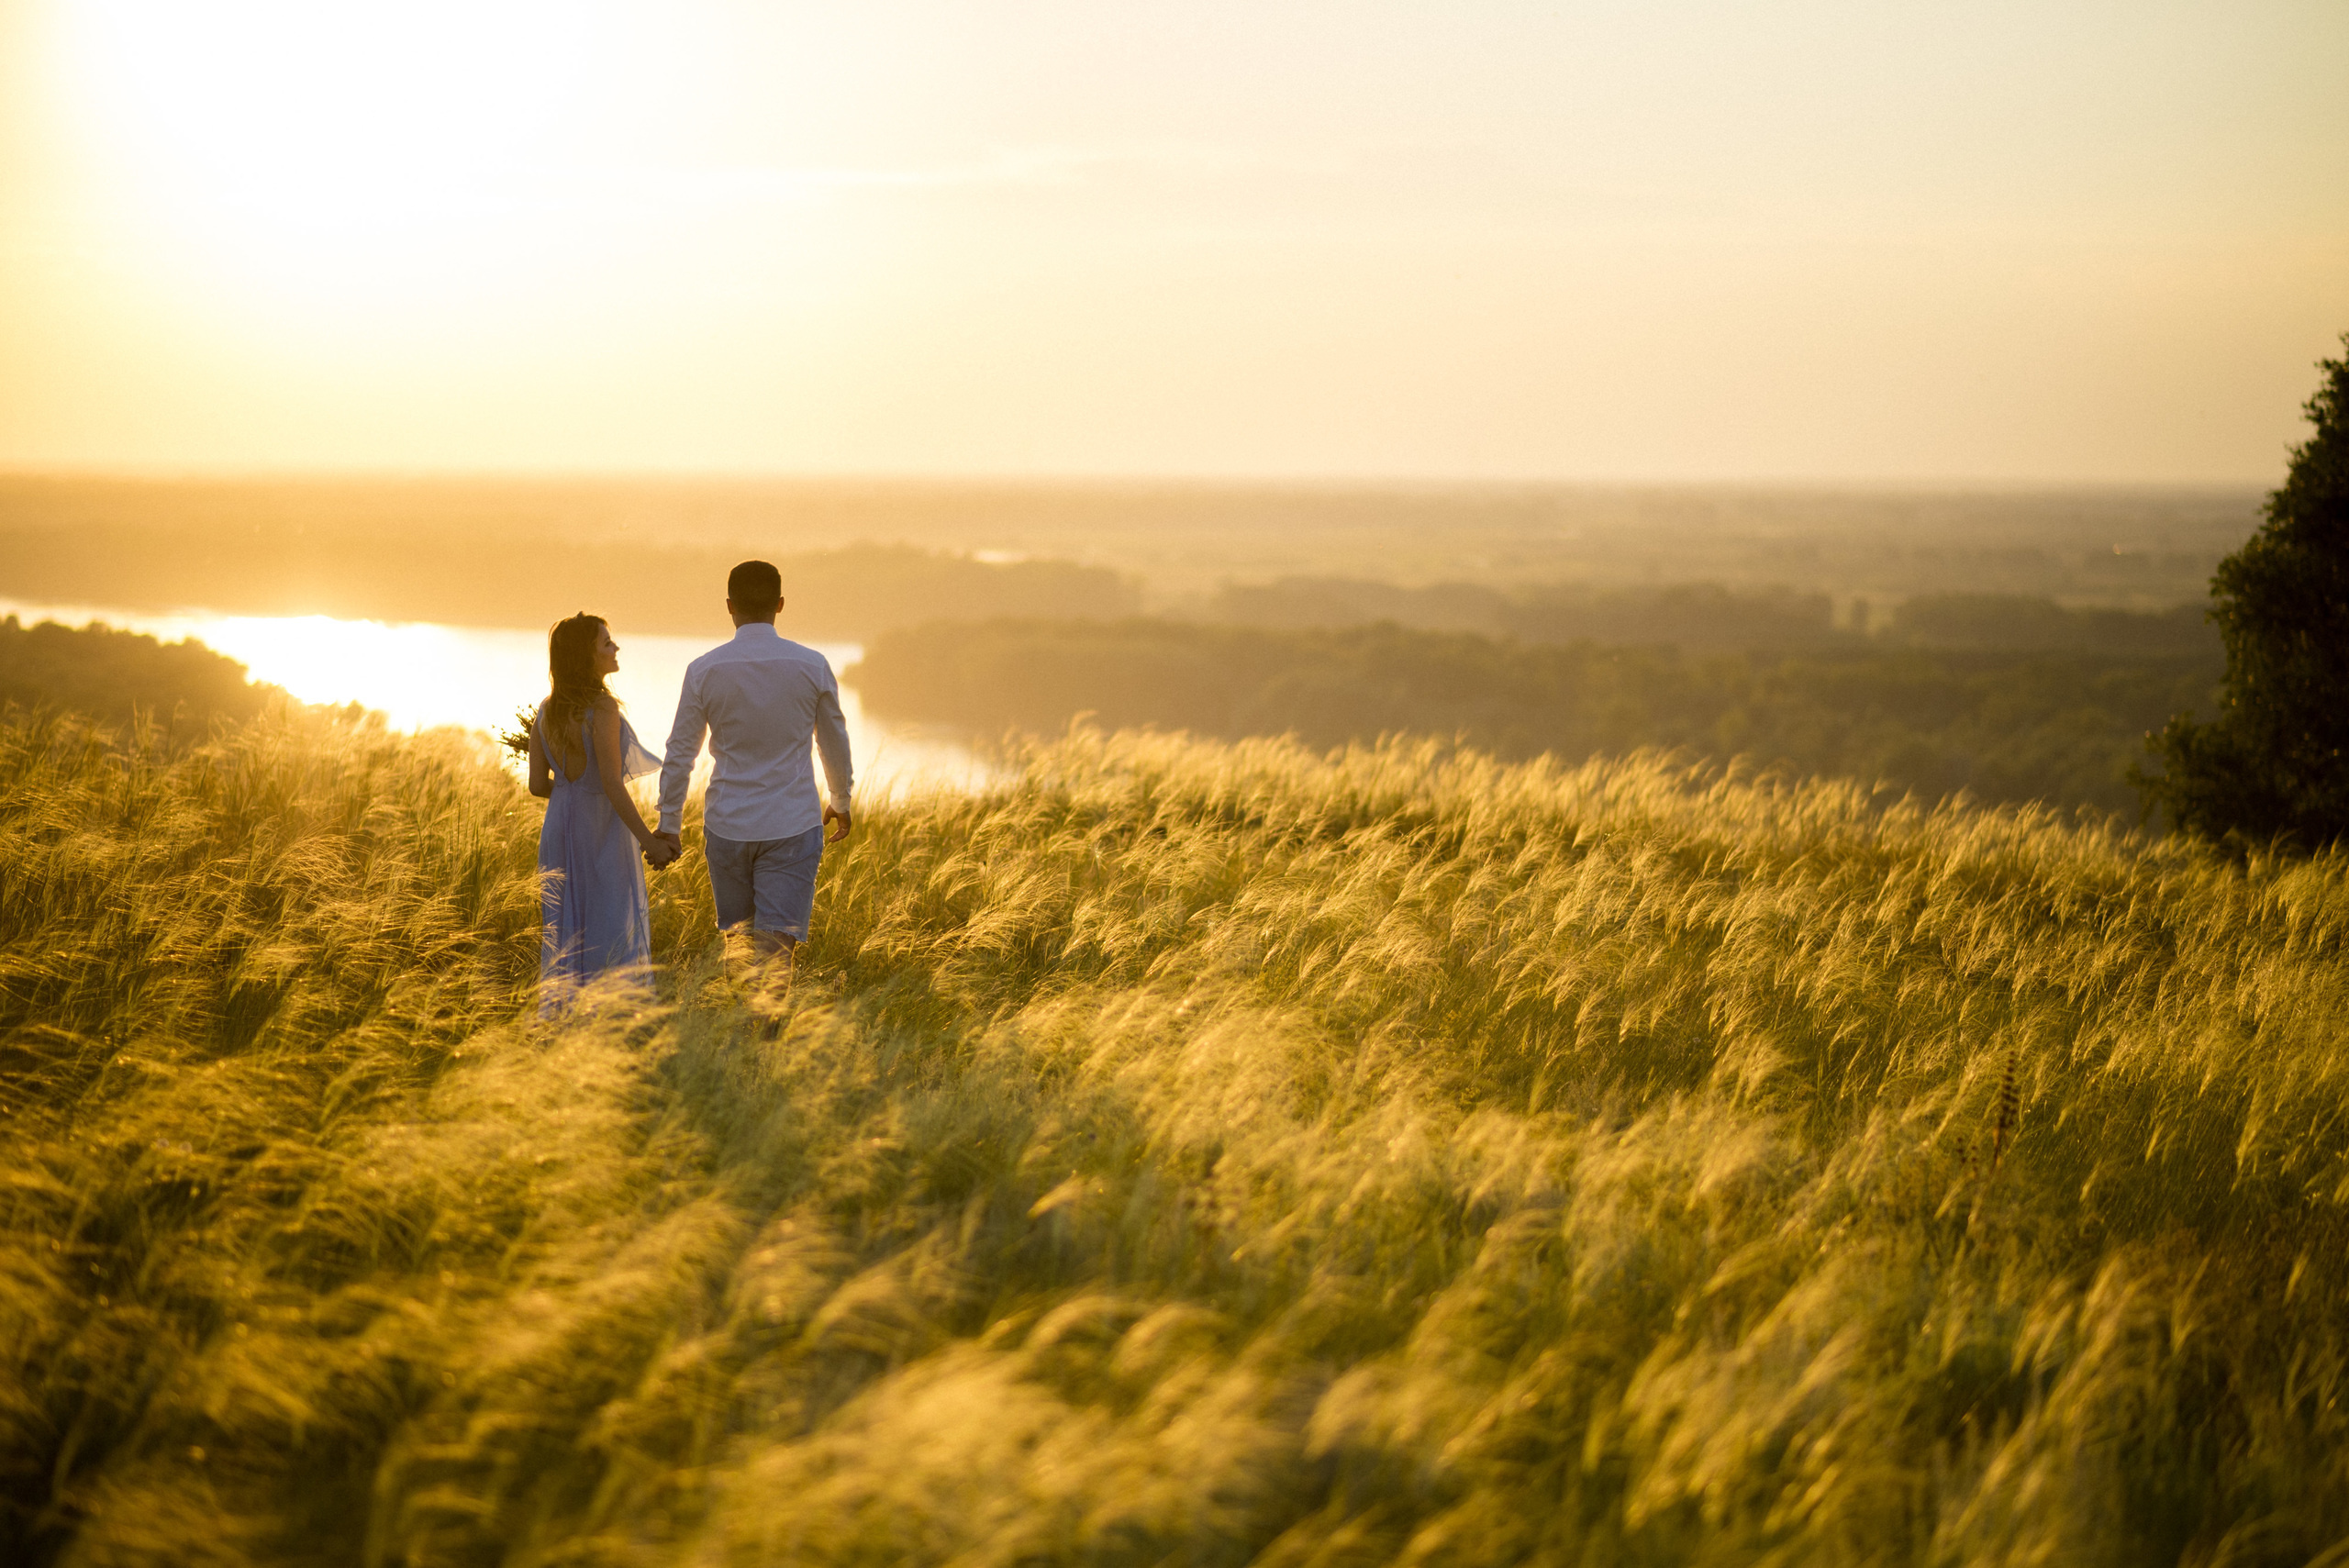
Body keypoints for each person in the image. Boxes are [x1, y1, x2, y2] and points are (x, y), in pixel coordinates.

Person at [655, 560, 852, 976]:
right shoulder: (812, 665)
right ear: (780, 604)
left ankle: (742, 1034)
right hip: (792, 823)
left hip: (728, 824)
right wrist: (840, 798)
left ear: (729, 606)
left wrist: (669, 822)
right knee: (778, 948)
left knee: (739, 944)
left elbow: (680, 752)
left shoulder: (704, 670)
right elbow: (832, 738)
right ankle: (765, 1037)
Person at [529, 613, 677, 1008]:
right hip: (600, 830)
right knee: (610, 923)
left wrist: (570, 796)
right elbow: (612, 783)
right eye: (607, 643)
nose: (615, 649)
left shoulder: (546, 711)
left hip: (559, 827)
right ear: (586, 656)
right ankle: (609, 1015)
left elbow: (536, 785)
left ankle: (566, 1013)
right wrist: (650, 842)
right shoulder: (603, 708)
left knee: (565, 928)